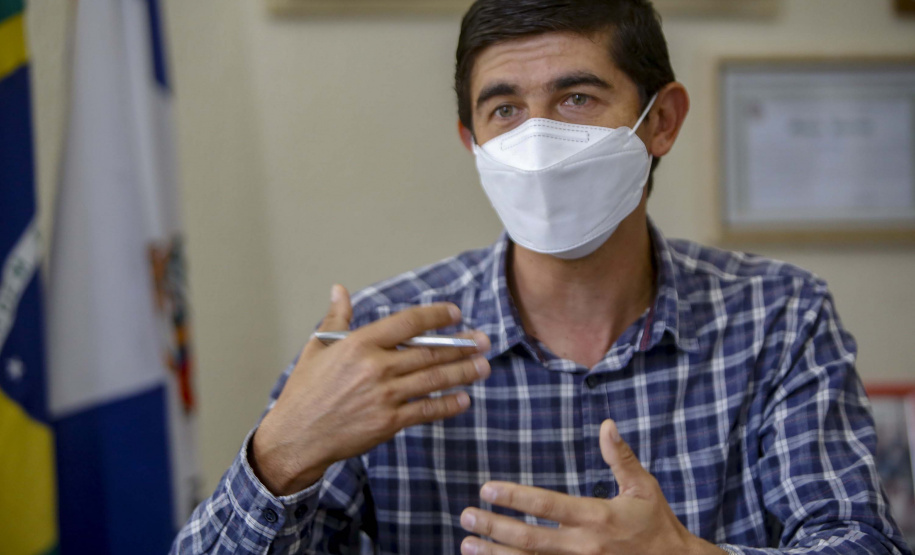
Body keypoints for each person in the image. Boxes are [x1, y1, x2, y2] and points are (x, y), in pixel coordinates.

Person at [171, 1, 912, 553]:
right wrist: (279, 455)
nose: (537, 137)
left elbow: (854, 542)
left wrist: (688, 554)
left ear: (661, 121)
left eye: (576, 98)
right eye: (504, 109)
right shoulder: (378, 343)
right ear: (471, 142)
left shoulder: (778, 315)